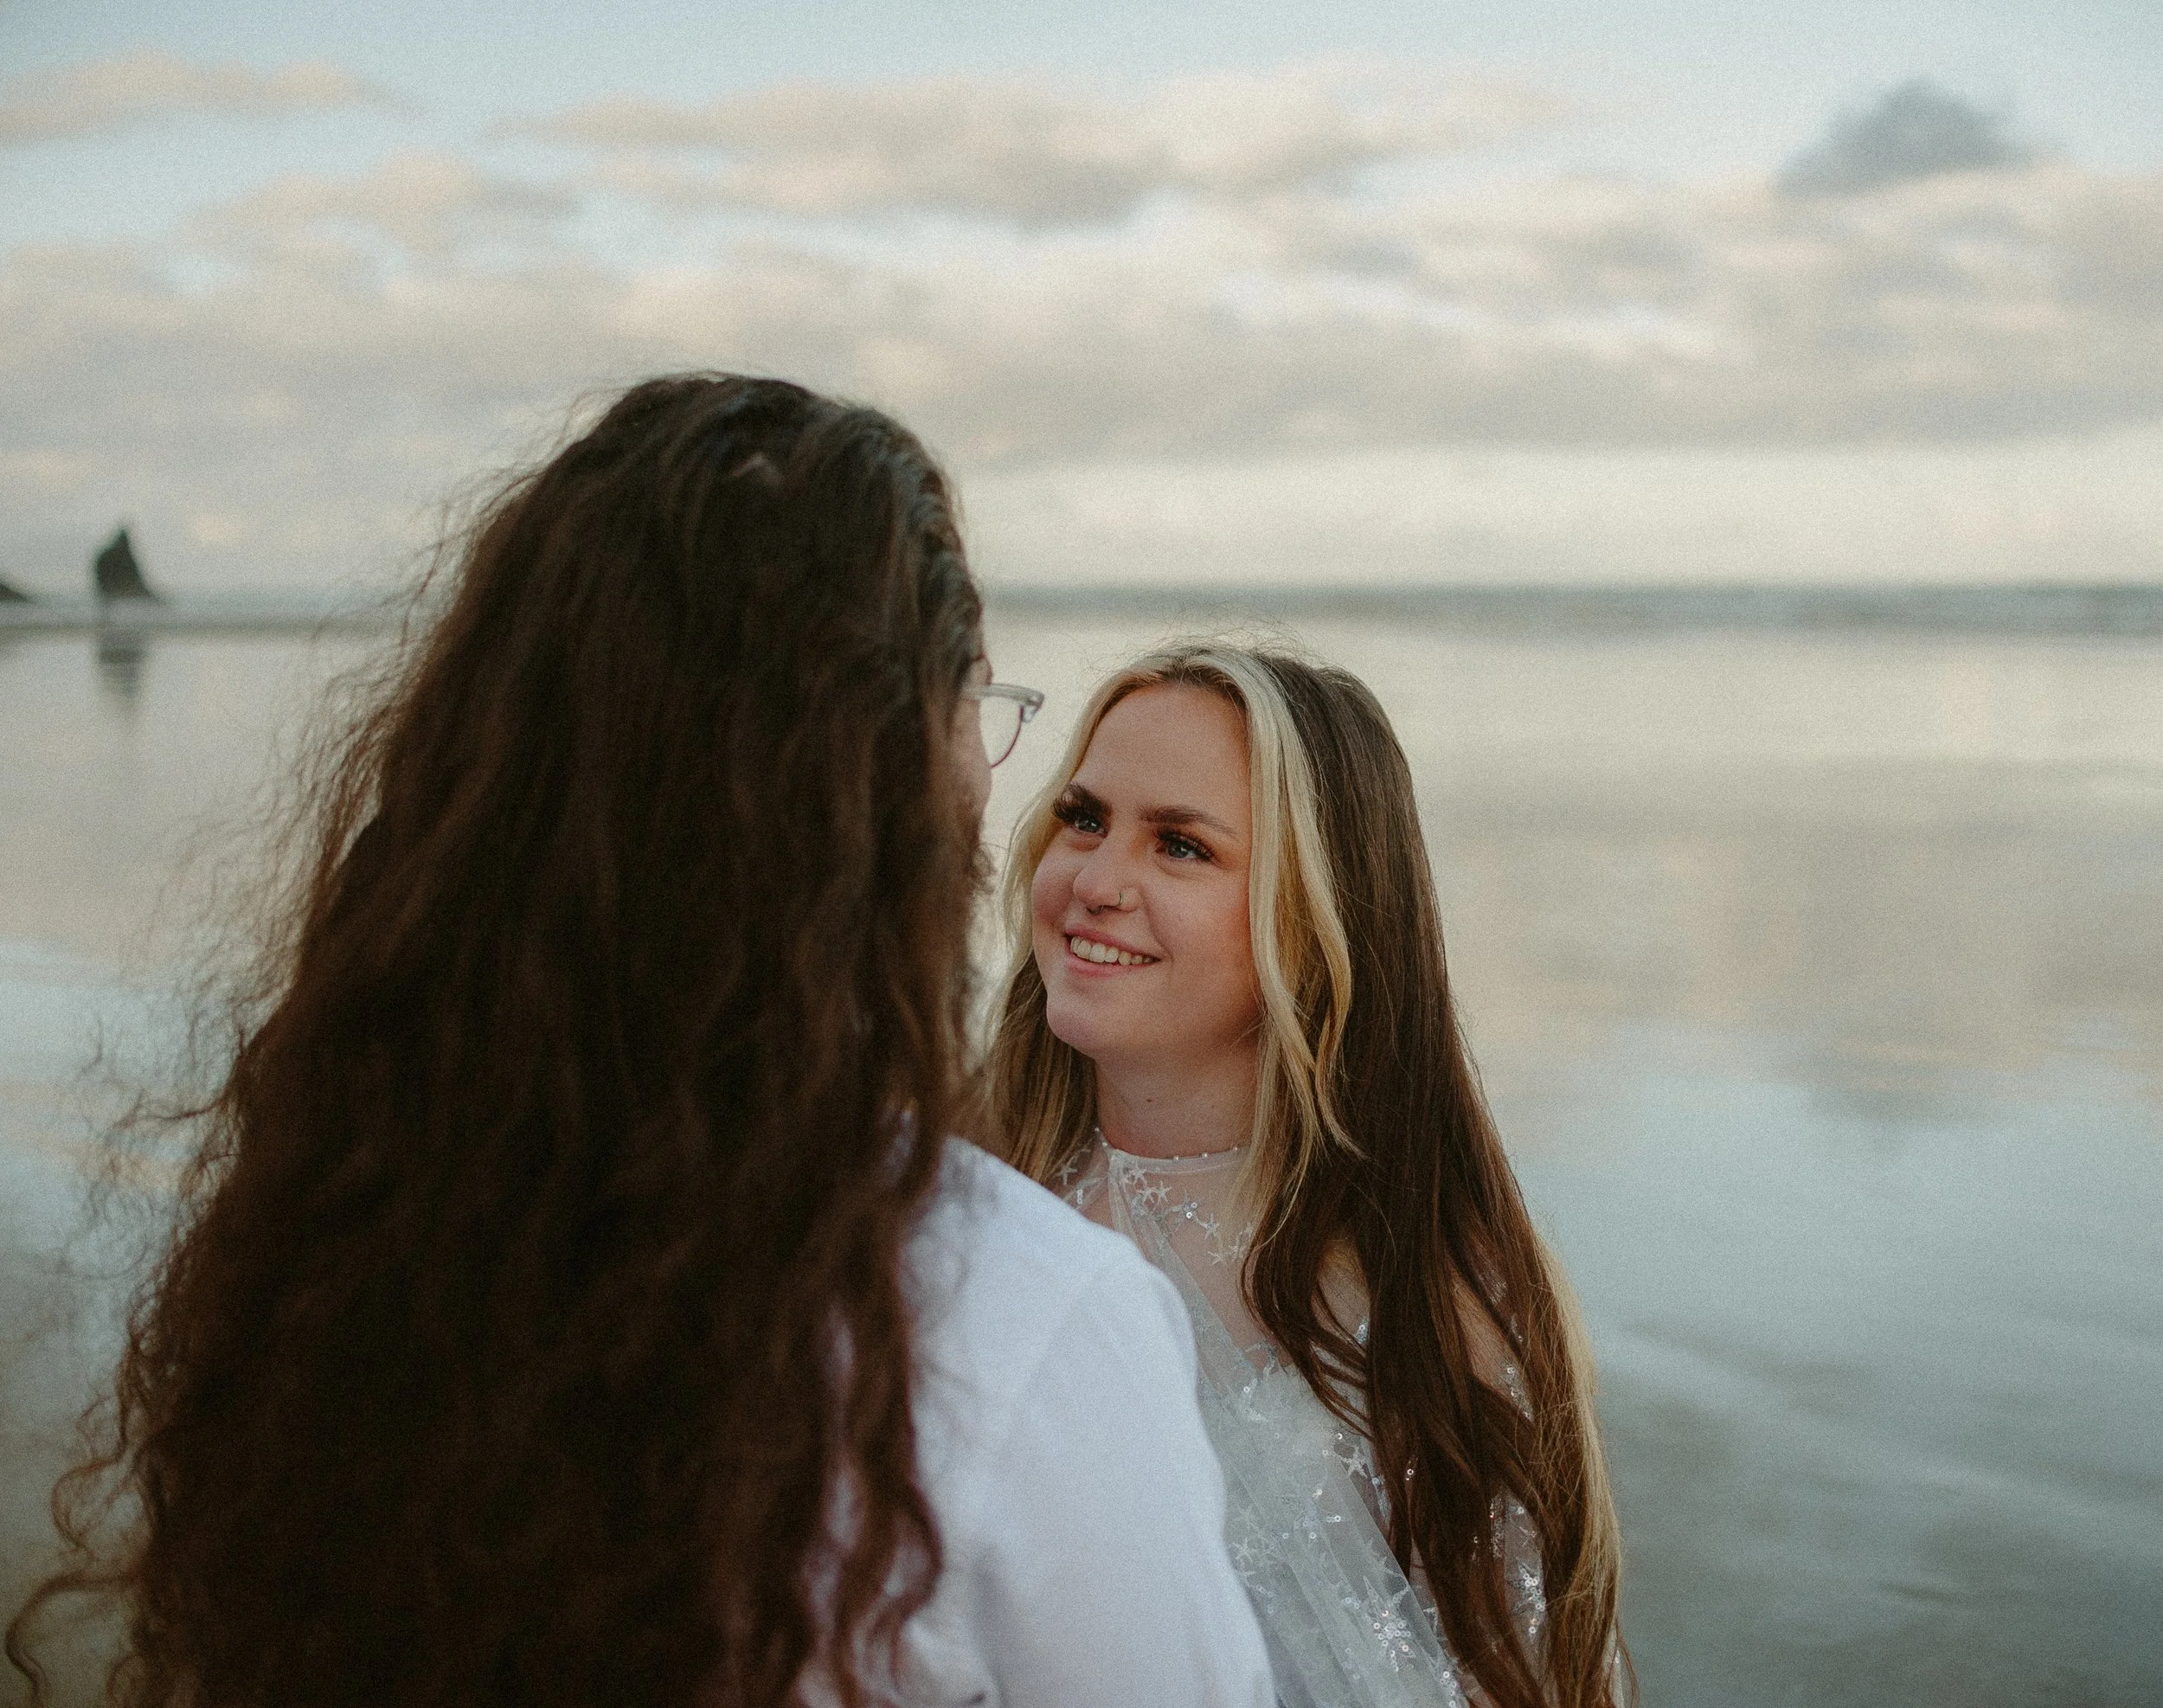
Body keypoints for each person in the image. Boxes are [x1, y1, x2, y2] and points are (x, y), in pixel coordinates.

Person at [6, 378, 1274, 1708]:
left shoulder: (361, 1228)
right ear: (876, 777)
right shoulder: (1024, 1322)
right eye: (972, 702)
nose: (993, 774)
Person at [986, 642, 1631, 1708]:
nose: (1095, 882)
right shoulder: (952, 1199)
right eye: (1084, 816)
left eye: (1180, 846)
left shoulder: (1431, 1285)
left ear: (1315, 910)